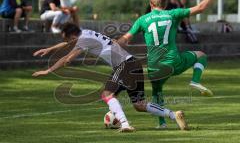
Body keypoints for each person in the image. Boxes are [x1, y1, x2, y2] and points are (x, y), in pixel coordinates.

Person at [32, 23, 188, 132]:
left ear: (73, 35)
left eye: (67, 38)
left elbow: (67, 59)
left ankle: (125, 124)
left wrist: (48, 70)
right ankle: (173, 115)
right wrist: (50, 48)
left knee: (107, 94)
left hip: (124, 65)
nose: (67, 41)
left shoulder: (83, 39)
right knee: (139, 104)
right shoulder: (85, 32)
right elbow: (67, 43)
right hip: (134, 64)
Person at [118, 0, 224, 128]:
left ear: (151, 5)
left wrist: (110, 48)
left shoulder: (142, 20)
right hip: (173, 61)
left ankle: (162, 124)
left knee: (157, 91)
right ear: (166, 4)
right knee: (201, 55)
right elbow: (200, 8)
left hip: (154, 67)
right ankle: (195, 80)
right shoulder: (173, 14)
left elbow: (125, 39)